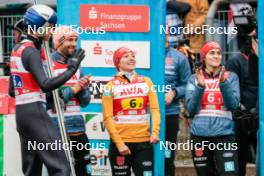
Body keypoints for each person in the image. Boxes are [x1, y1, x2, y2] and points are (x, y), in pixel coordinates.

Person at [9, 4, 85, 176]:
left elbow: (13, 91)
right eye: (50, 27)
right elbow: (45, 84)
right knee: (61, 168)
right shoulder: (31, 51)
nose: (51, 32)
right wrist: (71, 69)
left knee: (32, 170)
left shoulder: (17, 49)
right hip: (36, 112)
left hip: (22, 114)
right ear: (41, 27)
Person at [102, 47, 161, 176]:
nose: (131, 58)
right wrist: (119, 144)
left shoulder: (147, 82)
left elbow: (155, 109)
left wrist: (155, 132)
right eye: (126, 56)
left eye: (132, 55)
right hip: (121, 144)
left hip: (144, 143)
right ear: (117, 62)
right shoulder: (109, 86)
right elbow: (107, 117)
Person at [185, 41, 240, 176]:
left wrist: (223, 83)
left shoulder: (231, 77)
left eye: (219, 53)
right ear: (204, 57)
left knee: (230, 173)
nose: (216, 56)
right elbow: (190, 110)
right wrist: (200, 86)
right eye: (212, 53)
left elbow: (234, 106)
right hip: (200, 135)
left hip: (224, 135)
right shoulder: (194, 79)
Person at [47, 25, 92, 176]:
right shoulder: (48, 65)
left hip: (78, 130)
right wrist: (73, 89)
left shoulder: (77, 65)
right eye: (70, 40)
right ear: (59, 42)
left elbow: (85, 103)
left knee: (84, 173)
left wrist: (83, 88)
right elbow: (49, 100)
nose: (74, 44)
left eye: (76, 40)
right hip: (57, 131)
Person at [226, 31, 258, 176]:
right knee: (240, 157)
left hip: (259, 114)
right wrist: (241, 108)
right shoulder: (235, 61)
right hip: (241, 117)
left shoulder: (259, 59)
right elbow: (232, 87)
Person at [164, 31, 191, 175]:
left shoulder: (179, 57)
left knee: (167, 157)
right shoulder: (142, 54)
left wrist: (174, 93)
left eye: (165, 33)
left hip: (169, 115)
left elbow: (188, 85)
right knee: (145, 159)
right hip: (144, 116)